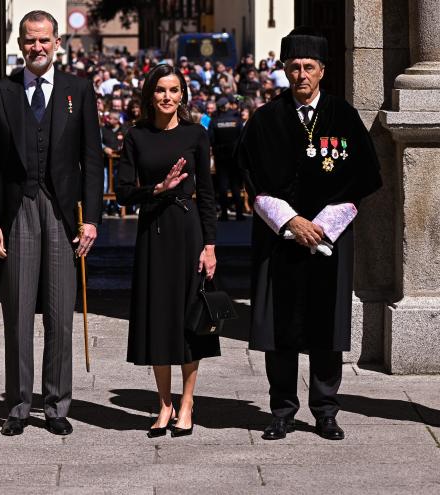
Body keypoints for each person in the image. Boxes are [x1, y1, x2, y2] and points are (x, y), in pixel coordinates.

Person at [236, 27, 382, 441]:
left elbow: (364, 177)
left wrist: (321, 227)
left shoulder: (343, 116)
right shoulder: (264, 120)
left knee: (326, 325)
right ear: (284, 70)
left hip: (328, 241)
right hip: (278, 241)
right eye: (294, 67)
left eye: (309, 68)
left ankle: (325, 409)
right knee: (279, 329)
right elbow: (251, 179)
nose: (301, 75)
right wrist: (290, 222)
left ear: (322, 71)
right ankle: (281, 409)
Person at [0, 10, 102, 436]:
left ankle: (55, 404)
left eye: (44, 40)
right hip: (17, 213)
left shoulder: (79, 91)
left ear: (57, 42)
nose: (37, 47)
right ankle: (17, 404)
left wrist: (93, 222)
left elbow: (92, 159)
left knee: (59, 314)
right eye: (30, 41)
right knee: (17, 313)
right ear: (19, 43)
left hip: (64, 214)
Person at [115, 64, 219, 438]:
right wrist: (157, 189)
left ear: (183, 95)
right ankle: (164, 403)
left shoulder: (197, 134)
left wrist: (210, 245)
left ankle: (188, 401)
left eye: (174, 90)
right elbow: (124, 190)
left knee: (190, 316)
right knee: (158, 317)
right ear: (150, 94)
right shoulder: (136, 136)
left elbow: (207, 194)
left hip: (189, 231)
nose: (167, 97)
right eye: (160, 90)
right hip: (153, 232)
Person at [209, 96, 245, 221]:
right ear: (227, 106)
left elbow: (211, 139)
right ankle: (239, 214)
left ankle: (224, 214)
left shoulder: (214, 120)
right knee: (236, 186)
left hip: (220, 157)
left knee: (222, 186)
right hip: (235, 156)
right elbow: (242, 137)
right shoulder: (236, 118)